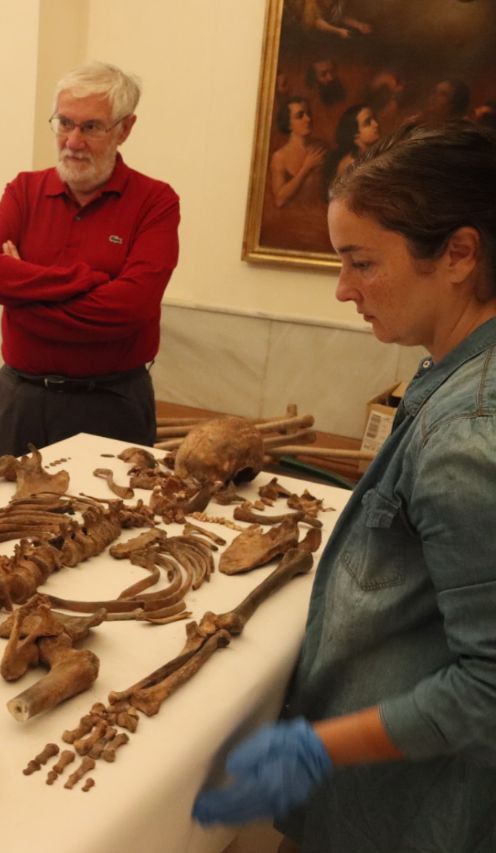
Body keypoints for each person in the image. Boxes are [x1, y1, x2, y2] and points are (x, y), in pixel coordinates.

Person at [193, 121, 496, 851]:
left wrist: (323, 746)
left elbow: (489, 689)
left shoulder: (467, 437)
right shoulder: (446, 368)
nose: (342, 290)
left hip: (410, 812)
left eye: (361, 263)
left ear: (458, 253)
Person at [0, 61, 179, 463]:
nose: (73, 141)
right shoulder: (24, 191)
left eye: (91, 127)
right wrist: (88, 280)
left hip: (109, 404)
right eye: (64, 123)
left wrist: (22, 296)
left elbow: (130, 308)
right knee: (5, 521)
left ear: (125, 129)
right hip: (19, 402)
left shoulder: (156, 202)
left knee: (103, 522)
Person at [322, 102, 379, 188]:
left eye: (374, 119)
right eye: (367, 123)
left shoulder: (376, 154)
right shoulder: (350, 165)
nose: (376, 124)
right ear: (355, 134)